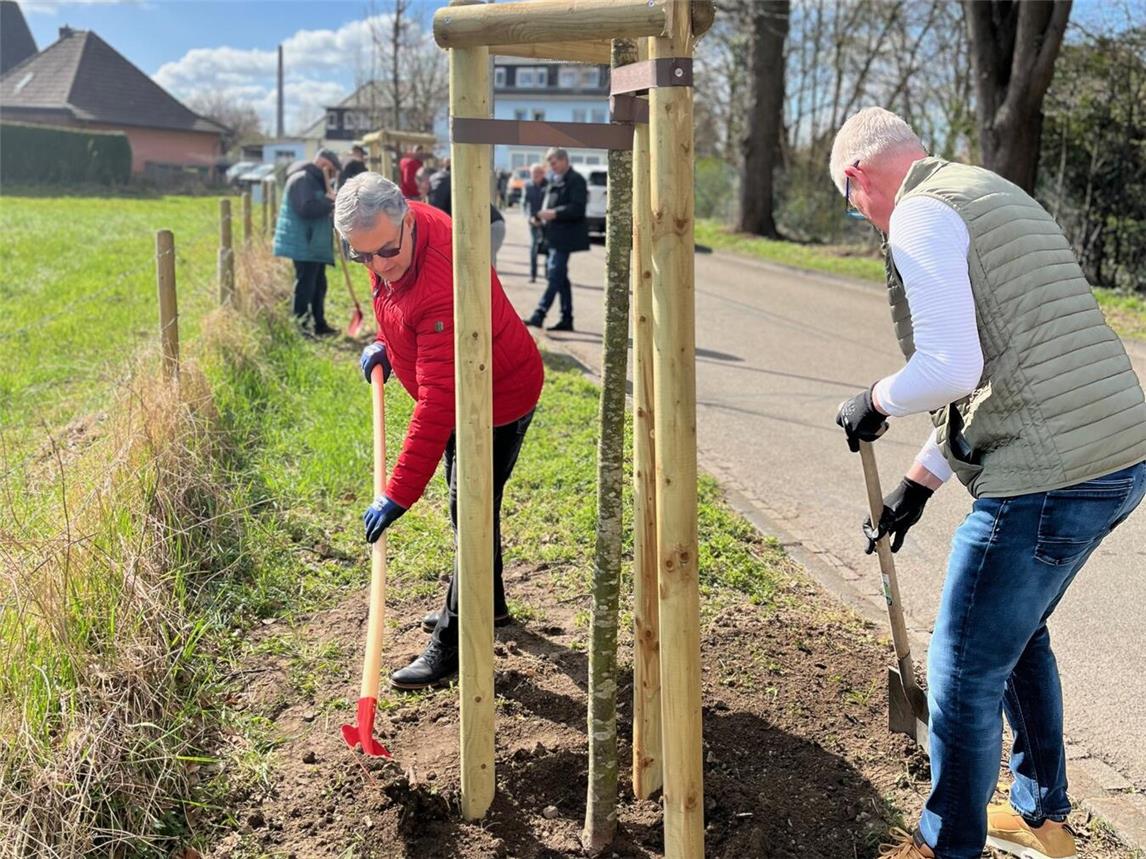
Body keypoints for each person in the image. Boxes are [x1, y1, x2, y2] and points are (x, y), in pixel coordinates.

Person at [830, 107, 1146, 859]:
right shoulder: (985, 190)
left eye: (855, 208)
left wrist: (873, 400)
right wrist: (918, 482)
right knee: (1017, 634)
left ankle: (945, 845)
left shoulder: (917, 215)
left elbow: (950, 367)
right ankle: (1043, 816)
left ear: (856, 177)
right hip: (1119, 458)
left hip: (1053, 477)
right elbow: (1008, 366)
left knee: (963, 668)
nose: (868, 222)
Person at [335, 172, 544, 689]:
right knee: (471, 503)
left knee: (469, 508)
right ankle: (488, 606)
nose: (378, 266)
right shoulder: (387, 241)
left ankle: (452, 643)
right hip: (464, 389)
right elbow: (390, 297)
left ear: (408, 218)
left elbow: (437, 404)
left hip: (497, 396)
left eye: (385, 251)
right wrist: (387, 341)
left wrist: (397, 494)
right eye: (363, 257)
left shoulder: (441, 278)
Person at [273, 148, 342, 336]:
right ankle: (301, 328)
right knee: (305, 286)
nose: (333, 175)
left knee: (319, 285)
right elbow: (306, 208)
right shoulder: (303, 179)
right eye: (332, 170)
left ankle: (320, 325)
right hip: (304, 243)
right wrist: (329, 203)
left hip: (313, 243)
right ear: (324, 165)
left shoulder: (316, 180)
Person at [523, 147, 588, 332]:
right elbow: (548, 203)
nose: (551, 167)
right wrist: (538, 218)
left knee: (554, 276)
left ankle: (539, 314)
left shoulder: (576, 180)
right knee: (560, 278)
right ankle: (566, 318)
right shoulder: (554, 180)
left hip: (566, 237)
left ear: (563, 160)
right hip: (553, 235)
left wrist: (554, 213)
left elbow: (577, 208)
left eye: (553, 163)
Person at [421, 156, 506, 269]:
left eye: (418, 183)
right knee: (479, 268)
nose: (418, 189)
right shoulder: (444, 181)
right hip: (490, 225)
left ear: (425, 181)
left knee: (480, 269)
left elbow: (436, 218)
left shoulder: (438, 183)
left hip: (490, 226)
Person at [522, 162, 548, 283]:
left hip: (547, 221)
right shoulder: (527, 186)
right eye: (533, 173)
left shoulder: (549, 185)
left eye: (538, 172)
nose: (536, 175)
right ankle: (533, 275)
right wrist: (529, 218)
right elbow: (524, 204)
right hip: (533, 220)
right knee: (534, 247)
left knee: (548, 247)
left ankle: (548, 275)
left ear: (543, 174)